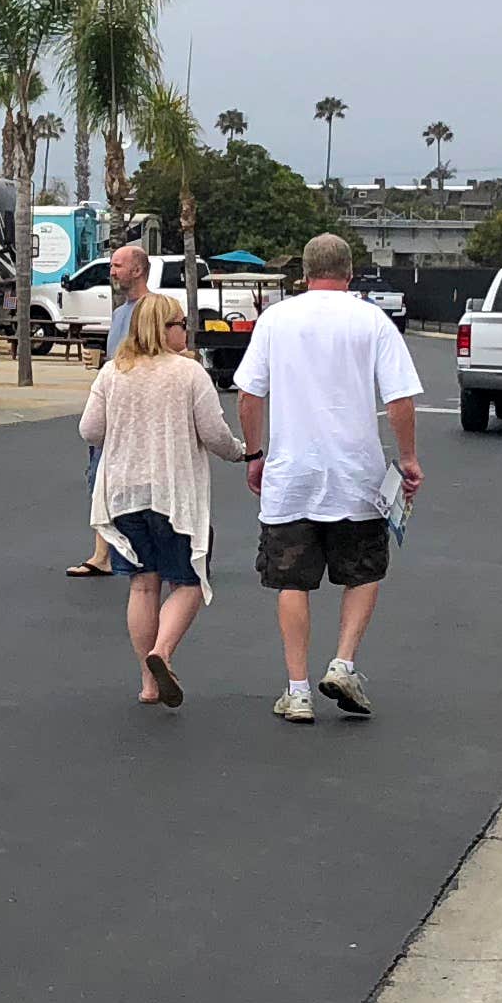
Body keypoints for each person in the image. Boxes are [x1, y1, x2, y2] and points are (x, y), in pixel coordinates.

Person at [233, 231, 423, 724]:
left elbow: (249, 395)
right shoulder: (372, 320)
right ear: (350, 271)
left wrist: (255, 453)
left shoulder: (276, 319)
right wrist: (408, 459)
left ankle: (297, 690)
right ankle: (343, 662)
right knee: (363, 571)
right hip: (356, 474)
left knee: (291, 580)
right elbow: (399, 399)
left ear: (304, 271)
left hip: (291, 473)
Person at [78, 295, 242, 708]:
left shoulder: (112, 372)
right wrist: (242, 452)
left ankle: (148, 684)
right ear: (164, 327)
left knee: (142, 585)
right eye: (181, 323)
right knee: (189, 581)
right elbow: (214, 434)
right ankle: (162, 652)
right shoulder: (189, 373)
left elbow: (90, 430)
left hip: (123, 494)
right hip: (173, 495)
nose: (186, 330)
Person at [67, 241, 156, 577]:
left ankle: (154, 549)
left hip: (141, 415)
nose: (112, 271)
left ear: (137, 269)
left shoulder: (156, 310)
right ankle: (102, 553)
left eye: (118, 265)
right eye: (112, 265)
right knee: (99, 478)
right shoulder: (119, 314)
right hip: (112, 411)